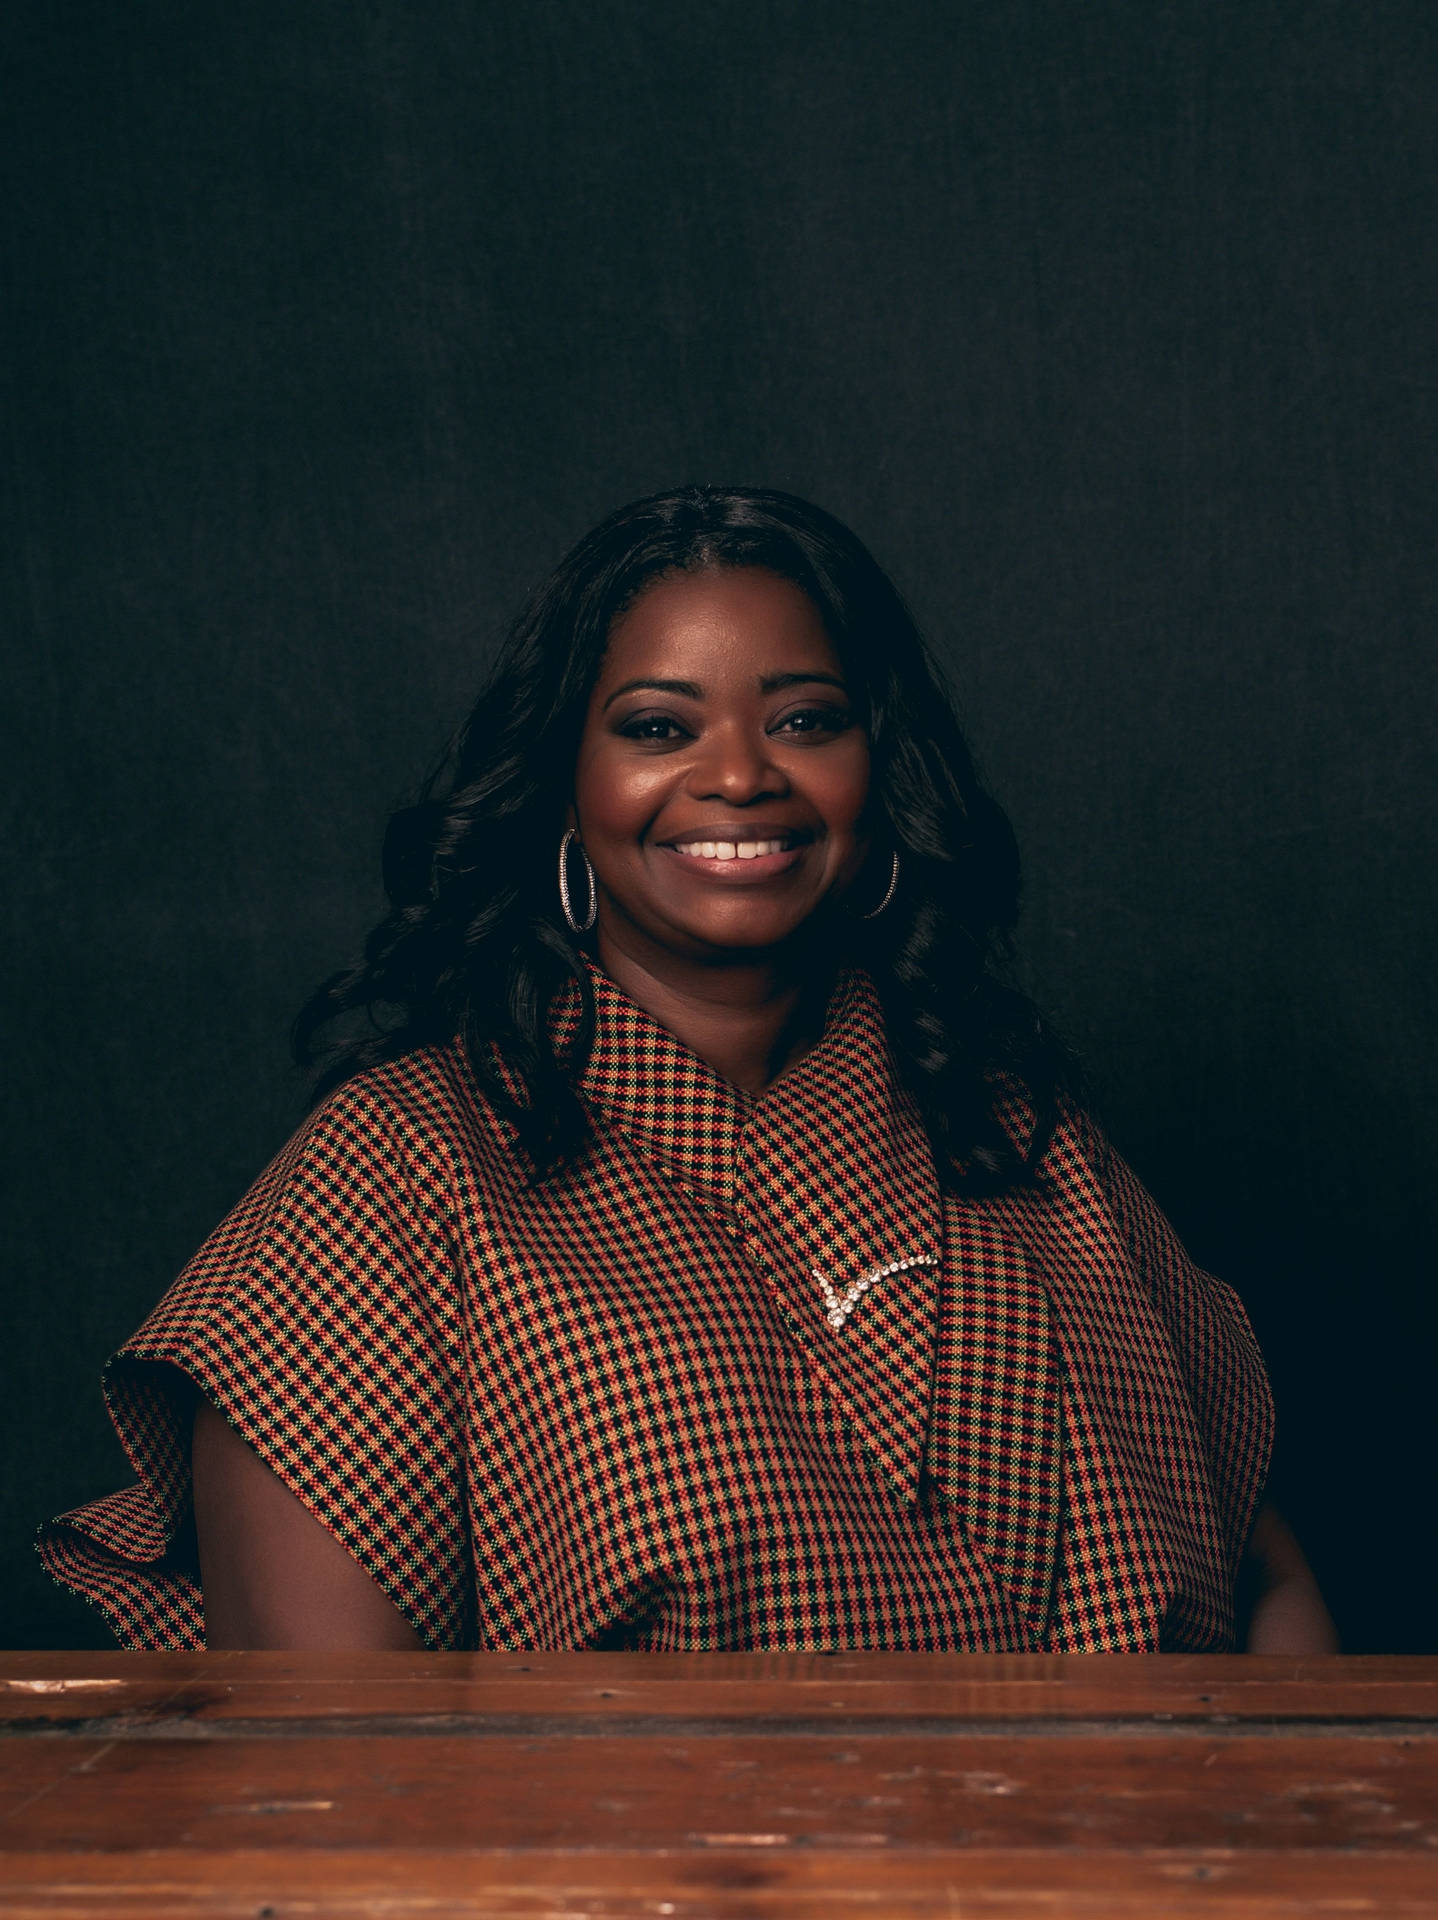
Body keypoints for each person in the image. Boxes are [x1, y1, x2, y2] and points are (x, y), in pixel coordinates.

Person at [38, 485, 1337, 1654]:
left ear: (873, 772)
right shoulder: (399, 1167)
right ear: (565, 786)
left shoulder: (1021, 1134)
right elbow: (326, 1756)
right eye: (658, 726)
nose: (735, 775)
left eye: (805, 719)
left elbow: (1263, 1583)